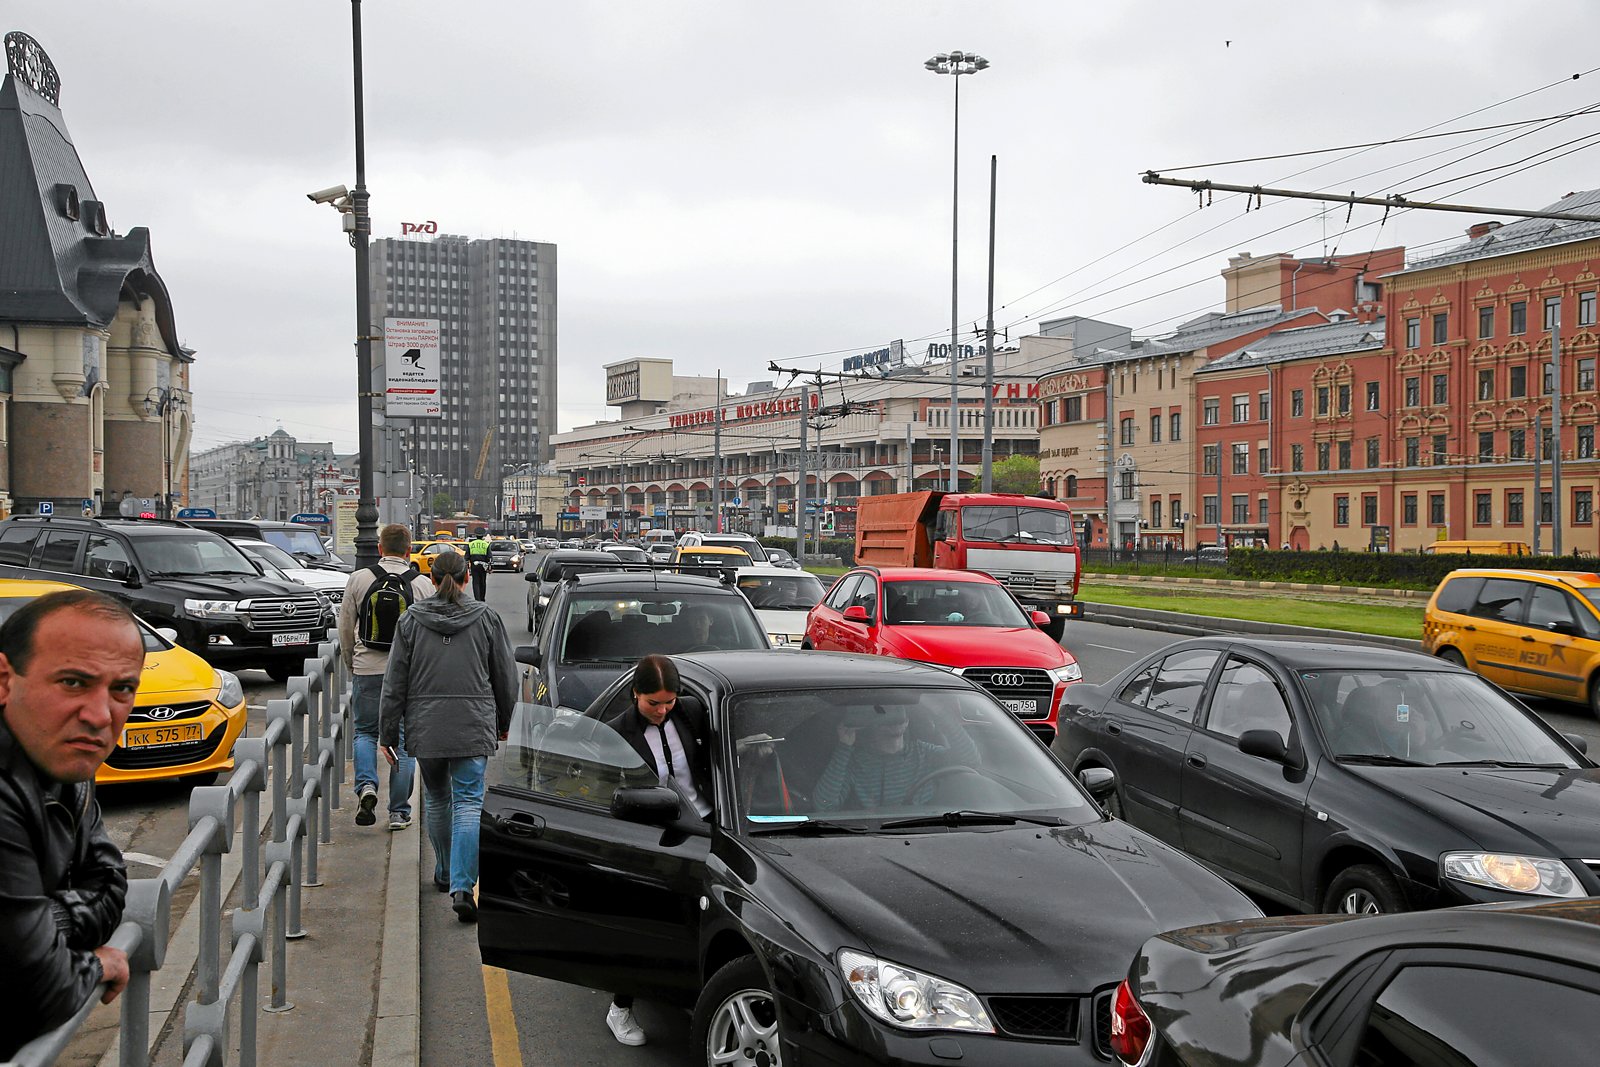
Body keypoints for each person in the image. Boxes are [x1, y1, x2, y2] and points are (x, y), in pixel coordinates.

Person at [0, 591, 142, 1057]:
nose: (101, 716)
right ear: (4, 680)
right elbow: (37, 993)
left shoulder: (62, 759)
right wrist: (97, 967)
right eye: (73, 683)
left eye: (122, 688)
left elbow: (109, 884)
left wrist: (51, 921)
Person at [379, 550, 516, 924]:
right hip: (473, 722)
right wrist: (506, 720)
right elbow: (505, 676)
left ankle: (442, 871)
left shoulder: (410, 621)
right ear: (467, 577)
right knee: (469, 803)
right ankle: (461, 886)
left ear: (432, 577)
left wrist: (388, 732)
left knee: (437, 800)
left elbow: (395, 683)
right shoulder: (486, 618)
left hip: (427, 725)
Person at [599, 654, 710, 1046]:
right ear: (635, 694)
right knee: (644, 925)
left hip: (704, 828)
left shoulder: (693, 713)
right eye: (653, 703)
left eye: (669, 702)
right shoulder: (616, 733)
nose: (662, 710)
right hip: (654, 837)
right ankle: (620, 1007)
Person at [339, 523, 434, 830]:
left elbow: (345, 628)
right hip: (408, 674)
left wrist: (352, 664)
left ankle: (366, 786)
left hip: (368, 668)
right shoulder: (422, 585)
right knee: (404, 742)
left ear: (380, 549)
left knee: (365, 732)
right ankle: (399, 812)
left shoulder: (359, 579)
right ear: (409, 551)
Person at [814, 704, 979, 812]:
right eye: (884, 711)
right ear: (871, 722)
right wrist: (844, 746)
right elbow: (824, 805)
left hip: (928, 829)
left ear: (907, 720)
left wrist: (942, 716)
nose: (892, 715)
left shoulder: (925, 753)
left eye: (898, 709)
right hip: (870, 836)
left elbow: (970, 759)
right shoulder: (854, 761)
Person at [466, 528, 491, 601]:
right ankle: (482, 598)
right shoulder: (486, 544)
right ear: (483, 536)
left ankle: (477, 598)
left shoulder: (471, 544)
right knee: (482, 582)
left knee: (475, 582)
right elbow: (489, 557)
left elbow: (467, 557)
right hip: (483, 566)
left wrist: (467, 567)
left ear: (475, 535)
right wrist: (490, 567)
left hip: (474, 565)